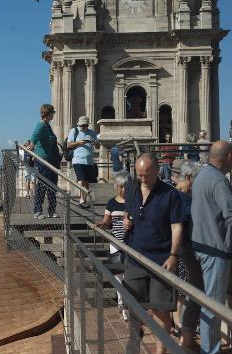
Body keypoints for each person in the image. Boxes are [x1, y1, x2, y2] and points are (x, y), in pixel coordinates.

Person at [123, 153, 183, 354]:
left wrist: (174, 255)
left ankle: (160, 350)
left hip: (161, 260)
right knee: (132, 307)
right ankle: (134, 341)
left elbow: (177, 227)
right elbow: (127, 213)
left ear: (157, 171)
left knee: (161, 311)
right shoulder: (131, 188)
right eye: (139, 175)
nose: (142, 179)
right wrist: (126, 221)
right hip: (135, 258)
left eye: (146, 175)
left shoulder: (170, 194)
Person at [191, 140, 232, 354]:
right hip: (216, 250)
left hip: (202, 247)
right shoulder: (218, 181)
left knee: (210, 302)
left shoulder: (202, 176)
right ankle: (210, 351)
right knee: (213, 306)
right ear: (229, 157)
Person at [169, 159, 204, 350]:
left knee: (190, 293)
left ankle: (186, 337)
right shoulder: (179, 197)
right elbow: (179, 226)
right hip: (186, 250)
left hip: (187, 249)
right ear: (189, 178)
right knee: (196, 293)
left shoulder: (185, 195)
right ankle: (186, 340)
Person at [97, 171, 131, 321]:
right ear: (116, 186)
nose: (123, 189)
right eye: (121, 186)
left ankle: (127, 305)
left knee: (130, 276)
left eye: (126, 186)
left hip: (131, 243)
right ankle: (122, 305)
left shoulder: (134, 201)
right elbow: (107, 221)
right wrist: (101, 224)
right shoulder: (111, 203)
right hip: (116, 243)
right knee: (119, 277)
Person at [30, 104, 61, 219]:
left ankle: (51, 211)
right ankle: (37, 211)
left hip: (51, 160)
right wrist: (32, 145)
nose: (53, 115)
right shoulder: (41, 125)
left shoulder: (47, 125)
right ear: (48, 114)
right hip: (43, 160)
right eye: (53, 113)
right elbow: (34, 136)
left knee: (52, 186)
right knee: (42, 186)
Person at [66, 116, 99, 208]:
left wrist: (95, 143)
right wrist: (79, 142)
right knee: (81, 179)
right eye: (81, 125)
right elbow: (69, 145)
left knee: (86, 181)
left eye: (85, 125)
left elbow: (98, 146)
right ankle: (81, 200)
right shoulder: (74, 131)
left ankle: (84, 199)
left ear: (88, 125)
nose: (83, 127)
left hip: (89, 161)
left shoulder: (92, 133)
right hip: (78, 159)